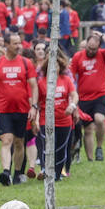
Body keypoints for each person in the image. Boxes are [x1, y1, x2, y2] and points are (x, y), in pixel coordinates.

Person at [0, 37, 37, 185]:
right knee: (7, 140)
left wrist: (34, 106)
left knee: (19, 142)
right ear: (6, 45)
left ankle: (17, 173)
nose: (18, 46)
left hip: (22, 109)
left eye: (19, 43)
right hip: (4, 109)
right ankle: (6, 172)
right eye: (15, 43)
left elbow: (33, 85)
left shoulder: (26, 63)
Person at [31, 43, 78, 181]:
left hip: (64, 120)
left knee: (61, 148)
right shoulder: (42, 83)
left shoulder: (66, 80)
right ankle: (46, 171)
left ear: (60, 67)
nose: (54, 68)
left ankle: (57, 174)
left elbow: (74, 95)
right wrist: (37, 120)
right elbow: (38, 103)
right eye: (52, 66)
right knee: (47, 147)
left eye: (56, 66)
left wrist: (73, 105)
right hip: (47, 120)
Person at [70, 30, 105, 162]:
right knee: (88, 129)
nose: (91, 51)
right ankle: (91, 158)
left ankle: (99, 147)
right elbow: (71, 77)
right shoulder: (78, 57)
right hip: (84, 97)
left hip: (100, 94)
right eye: (89, 48)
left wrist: (102, 36)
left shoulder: (102, 55)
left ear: (99, 47)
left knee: (99, 119)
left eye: (94, 49)